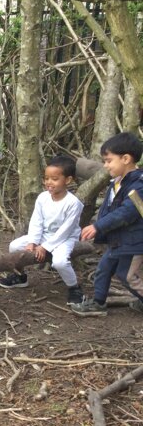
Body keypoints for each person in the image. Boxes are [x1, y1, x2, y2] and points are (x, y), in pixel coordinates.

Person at [72, 132, 143, 316]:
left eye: (109, 160)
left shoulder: (139, 185)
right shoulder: (117, 182)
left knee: (127, 275)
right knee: (103, 269)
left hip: (133, 242)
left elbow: (127, 212)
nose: (105, 165)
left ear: (126, 159)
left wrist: (98, 226)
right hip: (117, 241)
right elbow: (108, 209)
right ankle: (98, 302)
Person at [0, 155, 84, 305]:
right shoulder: (43, 198)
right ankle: (20, 276)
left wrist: (45, 247)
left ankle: (74, 288)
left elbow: (66, 230)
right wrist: (33, 241)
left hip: (65, 239)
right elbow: (37, 221)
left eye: (54, 179)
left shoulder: (73, 203)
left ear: (68, 180)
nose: (49, 182)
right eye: (46, 178)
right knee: (14, 246)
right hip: (44, 235)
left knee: (60, 262)